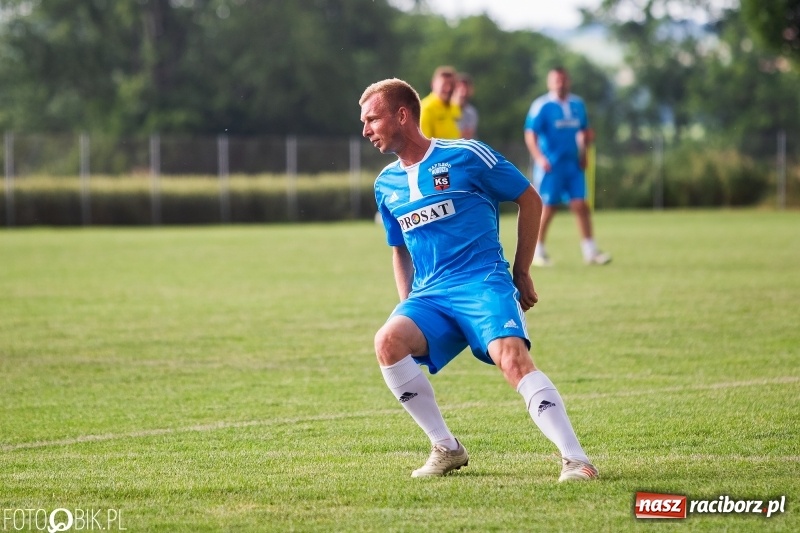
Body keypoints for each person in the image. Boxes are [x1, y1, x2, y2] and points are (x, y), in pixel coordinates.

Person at [359, 77, 598, 482]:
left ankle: (576, 460)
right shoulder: (385, 184)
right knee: (387, 341)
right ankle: (446, 447)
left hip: (482, 282)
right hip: (430, 295)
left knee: (512, 359)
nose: (366, 130)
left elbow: (529, 199)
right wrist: (407, 304)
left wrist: (521, 271)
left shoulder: (467, 155)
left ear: (401, 115)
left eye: (372, 119)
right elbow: (399, 249)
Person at [524, 67, 611, 266]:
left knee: (581, 205)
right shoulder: (541, 106)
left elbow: (584, 131)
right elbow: (530, 134)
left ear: (569, 81)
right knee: (548, 207)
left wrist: (585, 151)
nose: (560, 84)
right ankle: (537, 251)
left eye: (563, 80)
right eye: (556, 80)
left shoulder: (577, 104)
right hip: (551, 166)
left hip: (573, 164)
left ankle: (590, 252)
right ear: (549, 82)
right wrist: (539, 158)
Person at [419, 66, 462, 139]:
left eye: (451, 84)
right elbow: (423, 141)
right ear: (433, 84)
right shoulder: (426, 109)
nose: (448, 88)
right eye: (444, 85)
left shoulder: (455, 107)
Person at [456, 72, 479, 139]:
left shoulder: (471, 112)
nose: (463, 93)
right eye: (460, 89)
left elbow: (468, 135)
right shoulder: (445, 110)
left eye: (466, 89)